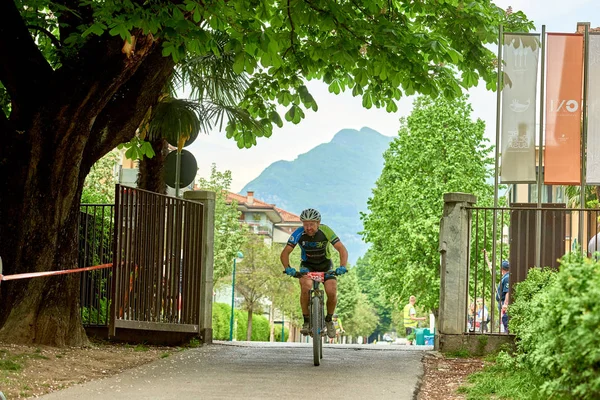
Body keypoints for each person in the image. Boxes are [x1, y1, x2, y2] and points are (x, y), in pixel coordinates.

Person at [280, 208, 348, 338]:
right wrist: (288, 267)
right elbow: (285, 252)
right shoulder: (298, 233)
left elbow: (341, 249)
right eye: (305, 224)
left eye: (311, 224)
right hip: (307, 266)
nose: (308, 227)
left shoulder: (326, 231)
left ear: (318, 223)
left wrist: (342, 266)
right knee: (305, 286)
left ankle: (328, 320)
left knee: (332, 290)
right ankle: (306, 321)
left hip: (325, 265)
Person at [496, 260, 510, 333]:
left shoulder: (507, 277)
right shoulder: (505, 277)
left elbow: (507, 291)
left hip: (503, 303)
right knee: (504, 320)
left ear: (502, 269)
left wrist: (505, 304)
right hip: (502, 302)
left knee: (505, 320)